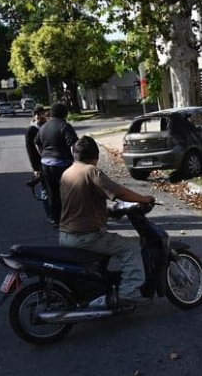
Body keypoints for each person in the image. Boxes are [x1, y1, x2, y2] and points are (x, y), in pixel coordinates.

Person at [59, 136, 155, 309]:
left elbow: (81, 203)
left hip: (66, 234)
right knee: (132, 247)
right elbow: (118, 192)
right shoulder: (91, 171)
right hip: (86, 236)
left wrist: (109, 212)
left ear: (75, 155)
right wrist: (143, 198)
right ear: (96, 156)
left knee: (112, 243)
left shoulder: (67, 173)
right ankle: (129, 293)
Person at [36, 103, 78, 227]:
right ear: (64, 113)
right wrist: (76, 162)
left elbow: (37, 142)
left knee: (53, 193)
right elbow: (73, 145)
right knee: (68, 192)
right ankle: (71, 219)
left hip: (46, 164)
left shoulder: (44, 127)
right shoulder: (65, 126)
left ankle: (56, 219)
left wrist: (43, 154)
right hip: (62, 163)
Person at [24, 105, 52, 222]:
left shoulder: (48, 126)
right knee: (45, 190)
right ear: (34, 116)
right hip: (41, 164)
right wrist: (35, 168)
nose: (40, 116)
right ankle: (49, 215)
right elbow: (30, 150)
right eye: (37, 114)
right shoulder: (32, 130)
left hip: (52, 162)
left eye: (42, 113)